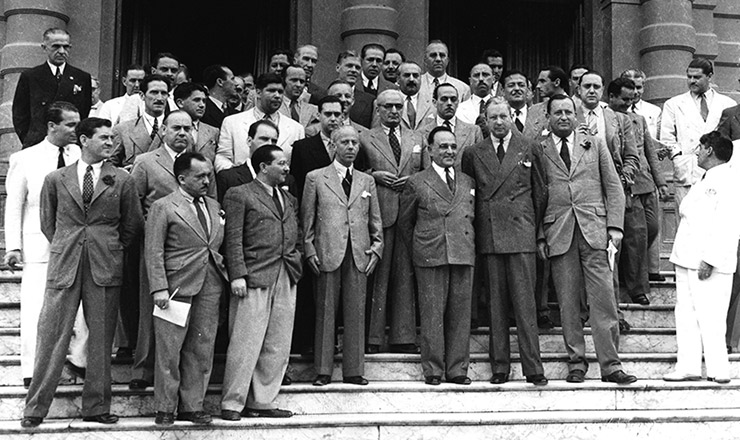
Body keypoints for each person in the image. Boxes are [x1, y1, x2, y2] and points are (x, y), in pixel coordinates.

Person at [21, 117, 144, 428]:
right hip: (65, 264)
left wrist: (109, 247)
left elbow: (132, 226)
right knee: (51, 335)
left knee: (101, 339)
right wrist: (69, 245)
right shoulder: (56, 179)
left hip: (105, 265)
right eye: (103, 137)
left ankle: (97, 407)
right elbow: (49, 223)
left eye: (112, 138)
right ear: (84, 140)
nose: (110, 143)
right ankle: (35, 408)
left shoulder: (123, 180)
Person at [536, 94, 637, 384]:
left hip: (595, 231)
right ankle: (576, 362)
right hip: (559, 233)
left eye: (569, 111)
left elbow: (614, 187)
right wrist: (541, 235)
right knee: (568, 303)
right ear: (548, 117)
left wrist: (615, 226)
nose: (564, 117)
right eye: (558, 112)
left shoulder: (594, 143)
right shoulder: (539, 150)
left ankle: (611, 365)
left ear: (576, 115)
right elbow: (537, 196)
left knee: (603, 299)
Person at [462, 98, 548, 386]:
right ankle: (499, 366)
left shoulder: (530, 147)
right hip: (490, 235)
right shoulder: (473, 153)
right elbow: (469, 196)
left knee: (525, 305)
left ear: (512, 116)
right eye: (492, 117)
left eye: (503, 116)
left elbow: (540, 193)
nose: (499, 122)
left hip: (521, 233)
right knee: (496, 305)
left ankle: (533, 367)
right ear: (484, 121)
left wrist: (534, 231)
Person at [129, 111, 216, 391]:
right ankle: (143, 369)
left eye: (187, 128)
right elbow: (133, 205)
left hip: (192, 251)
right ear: (163, 129)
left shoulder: (201, 164)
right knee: (151, 311)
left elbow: (209, 204)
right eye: (176, 127)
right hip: (156, 243)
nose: (182, 133)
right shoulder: (145, 162)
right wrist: (153, 231)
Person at [4, 101, 88, 388]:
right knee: (35, 309)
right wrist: (13, 246)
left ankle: (79, 361)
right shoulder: (25, 158)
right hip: (39, 247)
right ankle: (32, 369)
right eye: (71, 124)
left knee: (80, 309)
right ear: (52, 126)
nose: (77, 130)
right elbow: (14, 205)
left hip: (77, 244)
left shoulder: (82, 155)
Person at [220, 145, 302, 420]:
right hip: (254, 275)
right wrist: (238, 274)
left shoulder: (288, 199)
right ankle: (233, 403)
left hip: (285, 273)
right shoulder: (239, 194)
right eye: (281, 163)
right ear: (263, 167)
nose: (287, 168)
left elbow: (296, 232)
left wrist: (296, 258)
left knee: (277, 342)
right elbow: (232, 238)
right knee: (245, 341)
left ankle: (263, 401)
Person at [146, 152, 227, 425]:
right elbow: (153, 250)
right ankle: (165, 408)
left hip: (210, 284)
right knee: (170, 350)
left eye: (208, 175)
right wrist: (158, 287)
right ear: (182, 179)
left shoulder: (214, 206)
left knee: (202, 348)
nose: (207, 181)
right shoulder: (164, 206)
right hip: (174, 287)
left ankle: (193, 406)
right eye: (200, 176)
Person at [302, 125, 383, 386]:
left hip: (358, 252)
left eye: (354, 143)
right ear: (333, 146)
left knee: (356, 312)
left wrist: (377, 248)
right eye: (345, 142)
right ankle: (323, 370)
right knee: (326, 310)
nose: (350, 147)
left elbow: (375, 219)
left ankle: (354, 370)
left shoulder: (366, 180)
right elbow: (308, 219)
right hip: (327, 250)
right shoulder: (315, 178)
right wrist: (309, 248)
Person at [398, 126, 475, 386]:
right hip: (431, 253)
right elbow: (406, 224)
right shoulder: (417, 181)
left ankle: (457, 369)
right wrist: (422, 247)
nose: (449, 151)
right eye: (442, 146)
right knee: (432, 314)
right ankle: (433, 369)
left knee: (460, 314)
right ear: (430, 150)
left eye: (453, 146)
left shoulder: (467, 181)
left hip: (463, 252)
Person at [664, 131, 739, 384]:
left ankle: (719, 369)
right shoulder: (705, 178)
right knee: (686, 313)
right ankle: (688, 366)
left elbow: (728, 224)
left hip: (708, 260)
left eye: (700, 147)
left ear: (709, 150)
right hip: (687, 256)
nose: (696, 152)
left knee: (712, 315)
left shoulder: (728, 180)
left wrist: (711, 259)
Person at [360, 89, 428, 354]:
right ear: (377, 109)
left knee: (405, 276)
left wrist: (412, 180)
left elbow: (425, 171)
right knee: (379, 275)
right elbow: (354, 170)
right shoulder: (365, 138)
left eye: (398, 106)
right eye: (387, 106)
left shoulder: (417, 137)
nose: (394, 111)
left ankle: (404, 336)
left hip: (410, 213)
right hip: (379, 212)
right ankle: (373, 338)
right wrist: (374, 174)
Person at [607, 77, 669, 313]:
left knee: (647, 231)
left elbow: (650, 153)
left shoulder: (638, 119)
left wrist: (660, 181)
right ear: (611, 97)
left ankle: (633, 279)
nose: (628, 104)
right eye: (624, 99)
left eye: (631, 100)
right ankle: (636, 287)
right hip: (618, 185)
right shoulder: (604, 119)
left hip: (642, 183)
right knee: (630, 236)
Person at [659, 58, 736, 223]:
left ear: (709, 76)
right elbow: (666, 137)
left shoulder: (727, 104)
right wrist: (678, 157)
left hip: (717, 171)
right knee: (686, 222)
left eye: (697, 77)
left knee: (715, 222)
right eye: (689, 77)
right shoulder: (673, 104)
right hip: (687, 171)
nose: (692, 81)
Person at [13, 28, 92, 148]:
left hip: (69, 144)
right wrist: (30, 139)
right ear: (44, 47)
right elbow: (20, 114)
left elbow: (84, 111)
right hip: (38, 144)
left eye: (66, 47)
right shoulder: (30, 76)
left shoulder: (81, 77)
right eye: (56, 46)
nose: (61, 51)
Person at [217, 73, 304, 172]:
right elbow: (223, 157)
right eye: (271, 91)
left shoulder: (296, 129)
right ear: (258, 92)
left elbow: (298, 167)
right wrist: (236, 177)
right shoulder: (232, 122)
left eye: (280, 92)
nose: (277, 96)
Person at [416, 82, 483, 166]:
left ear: (458, 102)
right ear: (434, 102)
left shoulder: (474, 131)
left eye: (453, 99)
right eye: (444, 99)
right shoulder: (421, 133)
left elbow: (479, 165)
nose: (449, 103)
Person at [111, 74, 169, 168]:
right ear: (142, 96)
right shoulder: (123, 130)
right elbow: (109, 164)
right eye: (154, 92)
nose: (159, 98)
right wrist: (121, 173)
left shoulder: (177, 128)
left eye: (163, 93)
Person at [216, 120, 279, 202]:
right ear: (249, 141)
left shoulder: (284, 179)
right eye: (264, 139)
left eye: (274, 141)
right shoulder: (228, 178)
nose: (269, 144)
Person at [174, 82, 220, 165]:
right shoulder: (168, 128)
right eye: (196, 100)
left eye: (204, 101)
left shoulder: (214, 131)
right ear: (180, 103)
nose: (202, 105)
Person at [522, 66, 569, 144]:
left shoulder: (578, 108)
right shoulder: (534, 111)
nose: (538, 86)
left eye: (543, 81)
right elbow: (526, 142)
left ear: (557, 82)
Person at [418, 40, 470, 105]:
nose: (438, 59)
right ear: (425, 60)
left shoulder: (463, 88)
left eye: (442, 55)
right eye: (433, 55)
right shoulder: (416, 84)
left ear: (447, 60)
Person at [336, 51, 374, 129]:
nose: (354, 70)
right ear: (337, 67)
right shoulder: (322, 95)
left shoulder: (370, 101)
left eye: (357, 67)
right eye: (349, 66)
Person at [456, 64, 496, 128]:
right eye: (476, 75)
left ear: (493, 79)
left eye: (485, 75)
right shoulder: (459, 109)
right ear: (470, 81)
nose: (481, 79)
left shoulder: (502, 107)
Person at [397, 62, 433, 131]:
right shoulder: (387, 101)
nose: (411, 79)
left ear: (421, 78)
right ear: (398, 79)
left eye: (415, 75)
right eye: (407, 75)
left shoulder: (432, 102)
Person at [200, 64, 239, 129]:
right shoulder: (203, 110)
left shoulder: (235, 114)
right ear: (220, 82)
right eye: (232, 79)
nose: (236, 83)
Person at [502, 70, 530, 134]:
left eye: (521, 85)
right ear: (503, 90)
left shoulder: (540, 115)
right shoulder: (496, 117)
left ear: (528, 90)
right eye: (511, 85)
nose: (517, 88)